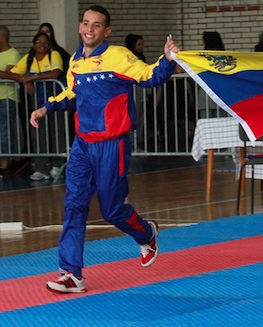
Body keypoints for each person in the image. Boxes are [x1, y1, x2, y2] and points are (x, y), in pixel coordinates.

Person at [30, 5, 180, 293]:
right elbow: (72, 94)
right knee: (74, 207)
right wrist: (45, 108)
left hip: (113, 145)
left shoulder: (119, 57)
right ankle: (71, 274)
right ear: (79, 26)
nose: (89, 29)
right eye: (86, 23)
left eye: (96, 25)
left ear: (106, 31)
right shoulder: (75, 60)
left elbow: (151, 77)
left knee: (112, 211)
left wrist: (168, 59)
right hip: (83, 145)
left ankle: (146, 233)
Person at [8, 32, 65, 181]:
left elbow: (55, 74)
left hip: (54, 99)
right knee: (38, 133)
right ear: (34, 44)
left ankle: (57, 165)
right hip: (36, 101)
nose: (42, 45)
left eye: (45, 42)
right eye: (39, 42)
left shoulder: (54, 56)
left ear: (49, 45)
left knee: (56, 131)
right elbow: (13, 73)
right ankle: (41, 167)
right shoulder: (28, 58)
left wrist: (32, 77)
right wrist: (24, 80)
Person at [0, 25, 21, 179]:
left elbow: (9, 75)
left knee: (6, 132)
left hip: (7, 98)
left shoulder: (13, 54)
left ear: (3, 37)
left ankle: (5, 164)